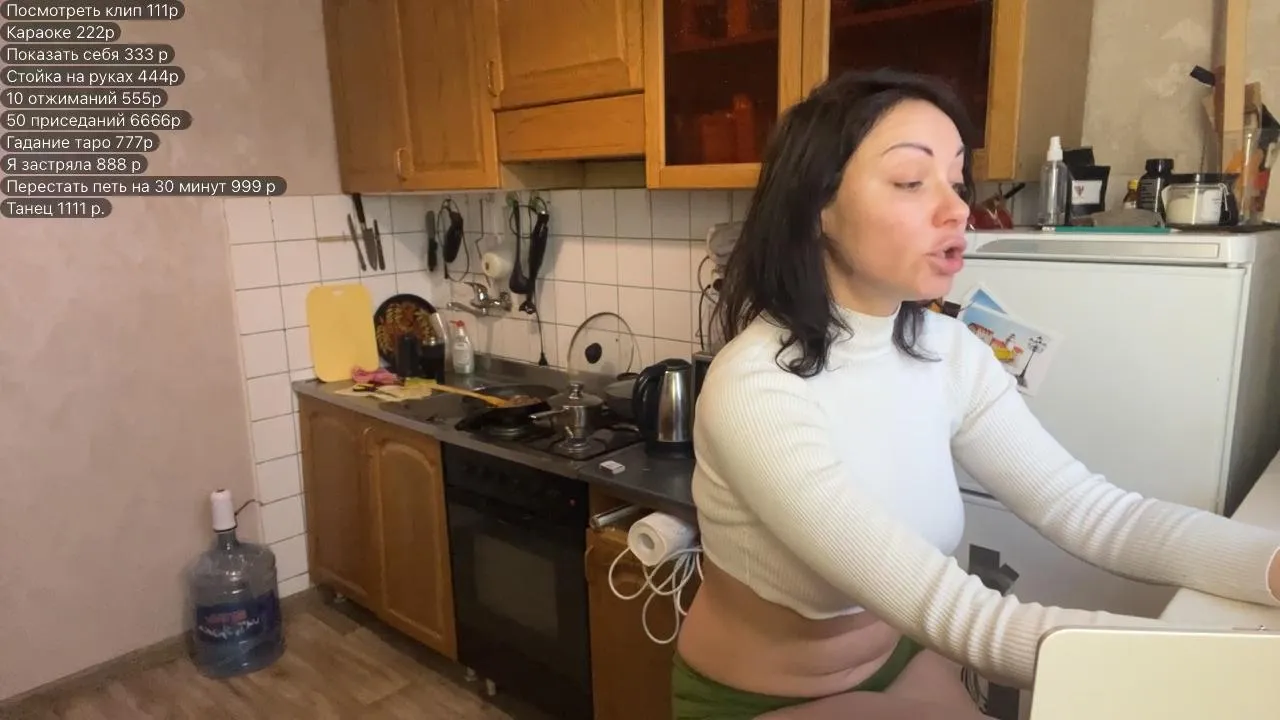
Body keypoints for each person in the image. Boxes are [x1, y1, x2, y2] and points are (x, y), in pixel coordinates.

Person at [674, 68, 1280, 720]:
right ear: (816, 208)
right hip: (762, 697)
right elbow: (958, 613)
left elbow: (1092, 513)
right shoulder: (756, 388)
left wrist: (1269, 565)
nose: (958, 209)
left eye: (957, 181)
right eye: (911, 181)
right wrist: (1223, 669)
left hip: (902, 654)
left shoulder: (947, 349)